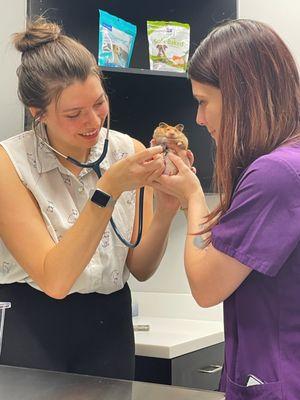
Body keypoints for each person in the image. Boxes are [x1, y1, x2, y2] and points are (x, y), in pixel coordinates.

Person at [0, 17, 181, 379]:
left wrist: (167, 207)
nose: (93, 121)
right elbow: (55, 280)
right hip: (35, 326)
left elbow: (141, 267)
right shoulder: (10, 166)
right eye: (73, 114)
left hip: (111, 324)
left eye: (99, 103)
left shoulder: (127, 150)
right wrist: (108, 189)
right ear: (39, 114)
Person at [152, 19, 300, 399]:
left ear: (242, 95)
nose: (199, 119)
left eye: (203, 102)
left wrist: (191, 197)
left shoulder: (274, 175)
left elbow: (206, 286)